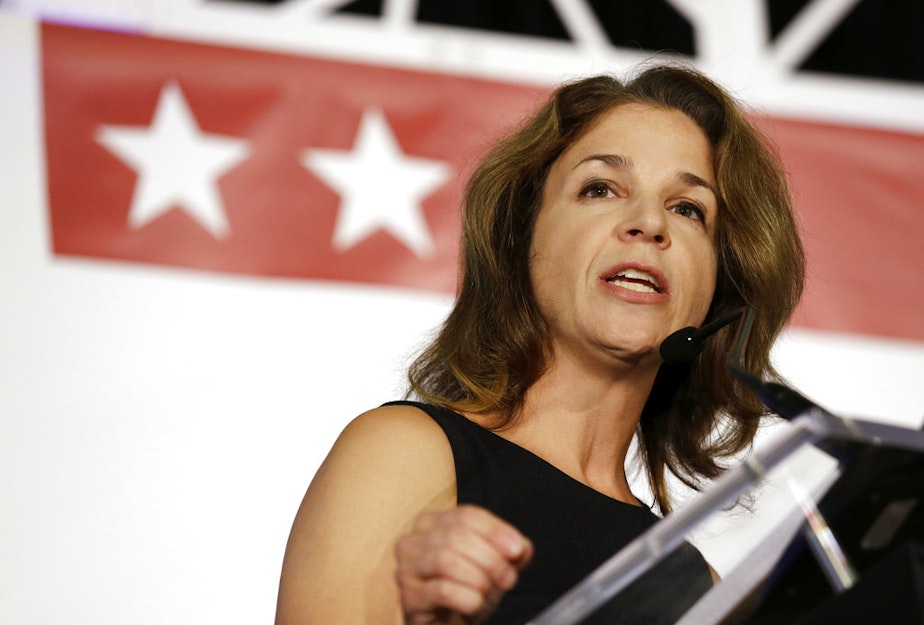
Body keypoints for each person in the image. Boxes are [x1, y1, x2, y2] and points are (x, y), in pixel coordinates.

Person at [275, 63, 805, 624]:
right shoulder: (406, 454)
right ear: (521, 237)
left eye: (688, 208)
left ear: (720, 289)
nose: (650, 222)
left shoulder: (699, 588)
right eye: (599, 188)